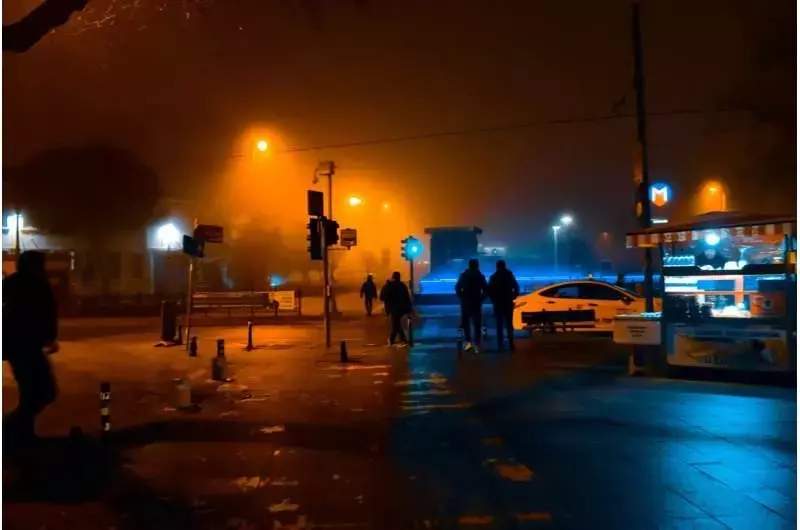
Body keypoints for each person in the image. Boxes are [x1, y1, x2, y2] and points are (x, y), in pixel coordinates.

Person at [3, 251, 59, 449]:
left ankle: (21, 433)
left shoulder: (11, 283)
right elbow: (47, 312)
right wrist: (50, 337)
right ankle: (11, 430)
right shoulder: (37, 284)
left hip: (17, 346)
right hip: (27, 346)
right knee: (43, 391)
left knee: (31, 392)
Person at [455, 258, 487, 353]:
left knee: (466, 323)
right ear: (477, 265)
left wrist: (462, 297)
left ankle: (468, 342)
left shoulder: (464, 275)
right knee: (477, 323)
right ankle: (476, 344)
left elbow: (457, 288)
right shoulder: (480, 276)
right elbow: (486, 289)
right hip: (476, 301)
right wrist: (481, 298)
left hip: (466, 302)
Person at [488, 260, 520, 352]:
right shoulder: (509, 276)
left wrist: (494, 300)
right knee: (509, 324)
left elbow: (489, 291)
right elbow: (516, 288)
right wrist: (513, 296)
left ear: (497, 266)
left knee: (499, 325)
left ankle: (500, 344)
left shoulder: (494, 277)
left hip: (498, 303)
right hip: (508, 302)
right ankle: (511, 343)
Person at [379, 271, 412, 346]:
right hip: (402, 308)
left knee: (396, 325)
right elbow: (407, 297)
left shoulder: (389, 286)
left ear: (393, 277)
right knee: (397, 324)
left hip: (393, 308)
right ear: (399, 277)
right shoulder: (402, 285)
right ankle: (401, 339)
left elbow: (382, 297)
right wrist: (409, 308)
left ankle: (392, 340)